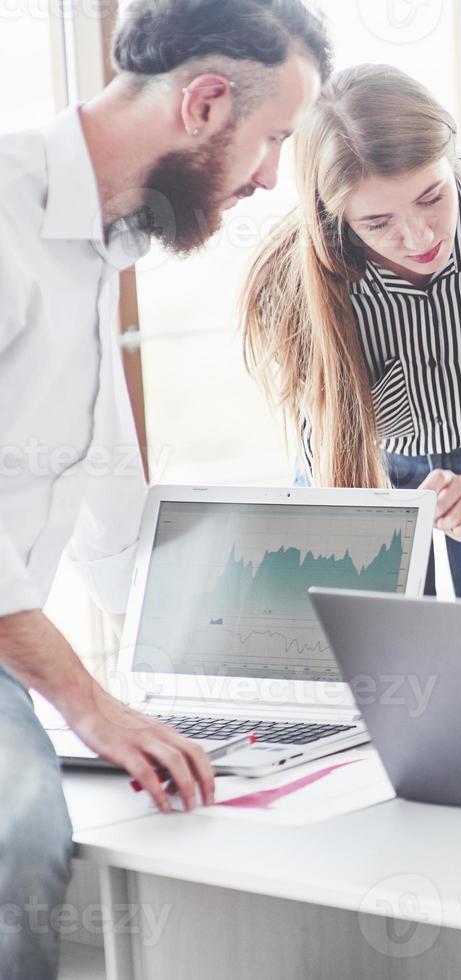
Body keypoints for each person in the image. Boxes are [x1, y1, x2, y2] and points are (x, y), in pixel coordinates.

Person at [0, 0, 329, 974]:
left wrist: (212, 667)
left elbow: (98, 492)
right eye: (271, 140)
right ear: (206, 103)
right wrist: (93, 705)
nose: (272, 176)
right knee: (19, 829)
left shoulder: (101, 245)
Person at [241, 64, 461, 600]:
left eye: (432, 197)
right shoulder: (290, 274)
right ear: (332, 217)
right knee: (383, 665)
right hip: (363, 467)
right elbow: (326, 450)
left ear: (449, 155)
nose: (419, 236)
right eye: (378, 223)